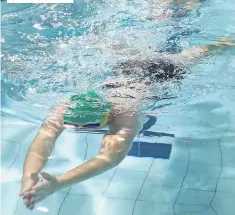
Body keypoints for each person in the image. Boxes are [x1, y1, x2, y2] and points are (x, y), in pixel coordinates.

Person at [20, 37, 234, 209]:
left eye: (91, 126)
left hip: (163, 73)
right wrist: (28, 178)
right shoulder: (65, 108)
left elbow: (109, 158)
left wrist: (60, 183)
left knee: (194, 56)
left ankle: (222, 43)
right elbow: (44, 138)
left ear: (106, 116)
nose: (79, 129)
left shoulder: (126, 117)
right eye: (71, 124)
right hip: (127, 66)